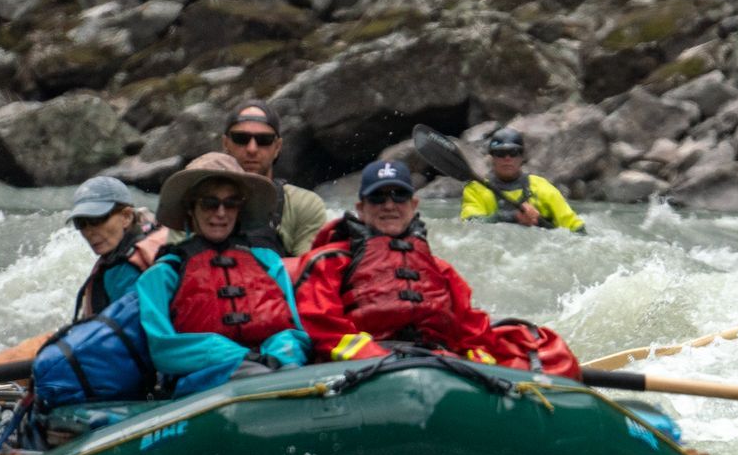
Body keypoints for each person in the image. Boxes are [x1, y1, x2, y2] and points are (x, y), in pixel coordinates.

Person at [299, 160, 581, 377]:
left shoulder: (440, 270)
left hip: (436, 365)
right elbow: (322, 326)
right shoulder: (330, 261)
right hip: (366, 368)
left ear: (413, 204)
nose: (389, 205)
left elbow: (470, 331)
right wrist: (377, 359)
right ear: (360, 208)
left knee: (539, 347)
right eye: (378, 198)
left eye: (398, 196)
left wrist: (482, 367)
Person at [134, 153, 310, 396]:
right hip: (201, 380)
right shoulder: (163, 274)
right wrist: (239, 357)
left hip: (275, 367)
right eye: (209, 203)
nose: (220, 213)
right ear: (191, 209)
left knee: (287, 368)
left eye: (230, 203)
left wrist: (281, 357)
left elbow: (294, 331)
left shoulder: (269, 262)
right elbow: (164, 350)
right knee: (255, 375)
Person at [220, 100, 328, 256]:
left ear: (277, 147)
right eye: (241, 138)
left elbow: (310, 271)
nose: (252, 149)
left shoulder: (303, 205)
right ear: (225, 143)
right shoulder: (197, 201)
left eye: (264, 140)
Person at [66, 175, 168, 319]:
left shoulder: (127, 270)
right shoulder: (120, 255)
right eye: (80, 223)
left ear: (126, 216)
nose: (88, 232)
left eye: (96, 219)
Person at [459, 128, 585, 232]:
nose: (507, 158)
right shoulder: (475, 189)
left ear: (521, 157)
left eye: (513, 152)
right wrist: (512, 217)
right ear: (492, 158)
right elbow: (470, 224)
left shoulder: (541, 187)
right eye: (501, 153)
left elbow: (576, 227)